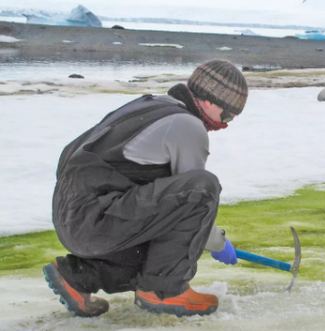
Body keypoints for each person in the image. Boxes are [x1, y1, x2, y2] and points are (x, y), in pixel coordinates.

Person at [43, 60, 248, 318]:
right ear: (209, 101)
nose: (226, 123)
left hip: (74, 216)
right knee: (205, 187)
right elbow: (194, 198)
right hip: (96, 218)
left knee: (158, 249)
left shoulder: (153, 106)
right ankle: (165, 290)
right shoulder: (187, 125)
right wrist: (217, 242)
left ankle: (78, 277)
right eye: (228, 115)